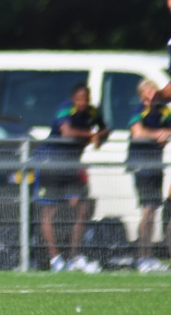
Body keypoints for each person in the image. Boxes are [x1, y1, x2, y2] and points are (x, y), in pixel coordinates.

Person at [33, 83, 110, 272]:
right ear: (73, 99)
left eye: (85, 100)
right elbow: (67, 133)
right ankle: (56, 260)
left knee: (81, 208)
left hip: (72, 166)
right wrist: (91, 135)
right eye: (79, 100)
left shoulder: (92, 112)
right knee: (49, 212)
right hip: (51, 163)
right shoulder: (66, 108)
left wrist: (101, 136)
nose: (82, 103)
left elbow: (106, 129)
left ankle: (75, 257)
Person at [127, 80, 170, 272]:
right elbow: (137, 133)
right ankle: (141, 257)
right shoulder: (138, 111)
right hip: (141, 166)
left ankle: (149, 256)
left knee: (153, 210)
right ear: (142, 95)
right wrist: (158, 134)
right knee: (147, 211)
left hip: (155, 166)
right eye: (147, 91)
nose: (152, 95)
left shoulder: (163, 111)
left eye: (153, 90)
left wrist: (166, 133)